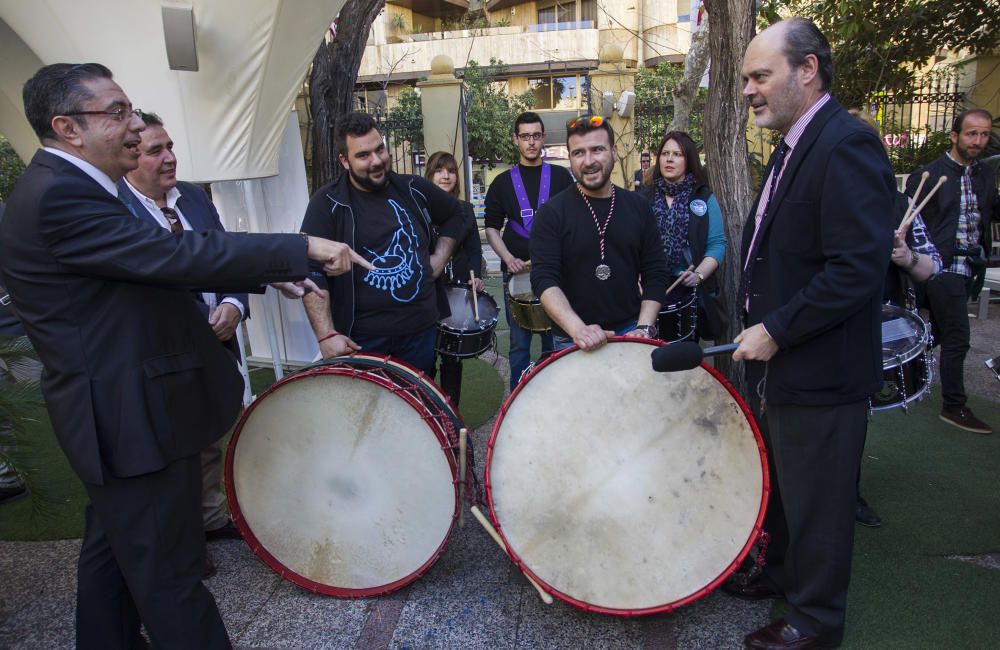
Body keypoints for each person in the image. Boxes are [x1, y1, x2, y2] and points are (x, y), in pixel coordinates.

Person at [0, 62, 363, 649]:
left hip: (131, 416)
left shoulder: (84, 188)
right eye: (116, 114)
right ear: (67, 127)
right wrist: (303, 247)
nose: (134, 128)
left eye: (130, 110)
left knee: (112, 557)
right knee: (170, 576)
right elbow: (177, 258)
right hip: (128, 422)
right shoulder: (59, 197)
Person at [726, 19, 894, 649]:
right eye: (745, 78)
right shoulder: (797, 142)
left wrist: (775, 327)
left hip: (822, 369)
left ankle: (815, 624)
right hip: (788, 365)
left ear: (807, 69)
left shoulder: (845, 141)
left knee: (821, 502)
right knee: (790, 484)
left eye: (759, 75)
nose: (748, 89)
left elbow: (857, 269)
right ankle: (780, 575)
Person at [118, 112, 245, 548]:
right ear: (130, 156)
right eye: (156, 151)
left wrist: (233, 304)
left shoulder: (192, 197)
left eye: (170, 146)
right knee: (177, 451)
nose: (170, 158)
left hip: (216, 350)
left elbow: (225, 255)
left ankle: (210, 519)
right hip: (164, 359)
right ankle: (184, 541)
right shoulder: (116, 210)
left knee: (213, 437)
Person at [300, 112, 465, 376]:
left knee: (419, 411)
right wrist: (326, 334)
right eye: (363, 155)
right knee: (369, 414)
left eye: (380, 150)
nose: (377, 161)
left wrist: (440, 258)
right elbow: (311, 272)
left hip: (419, 332)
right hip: (363, 340)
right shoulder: (327, 204)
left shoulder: (413, 188)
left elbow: (457, 215)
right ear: (344, 160)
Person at [530, 115, 668, 351]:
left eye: (597, 150)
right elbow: (544, 279)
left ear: (614, 152)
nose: (588, 161)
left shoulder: (639, 207)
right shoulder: (551, 213)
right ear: (571, 158)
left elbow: (655, 272)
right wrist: (579, 330)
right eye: (579, 153)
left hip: (631, 332)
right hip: (570, 338)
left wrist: (644, 328)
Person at [905, 108, 996, 434]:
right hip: (940, 267)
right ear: (955, 135)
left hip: (970, 266)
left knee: (940, 334)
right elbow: (909, 224)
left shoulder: (985, 174)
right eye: (972, 133)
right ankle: (954, 406)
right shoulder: (928, 175)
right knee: (958, 336)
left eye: (984, 134)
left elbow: (989, 214)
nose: (978, 140)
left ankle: (902, 367)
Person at [484, 111, 575, 389]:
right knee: (519, 346)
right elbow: (491, 228)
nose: (531, 142)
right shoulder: (501, 182)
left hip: (554, 275)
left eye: (536, 135)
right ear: (516, 140)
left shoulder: (561, 177)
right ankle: (516, 400)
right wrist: (508, 258)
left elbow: (573, 223)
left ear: (543, 138)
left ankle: (554, 398)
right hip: (515, 275)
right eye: (525, 136)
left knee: (556, 342)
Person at [636, 131, 728, 341]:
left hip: (685, 293)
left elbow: (717, 245)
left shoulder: (703, 198)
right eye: (665, 153)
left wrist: (699, 275)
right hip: (647, 292)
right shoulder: (642, 198)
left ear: (689, 160)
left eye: (677, 154)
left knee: (681, 365)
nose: (669, 159)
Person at [425, 150, 484, 405]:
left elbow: (473, 249)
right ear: (430, 175)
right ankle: (426, 412)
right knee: (426, 355)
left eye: (450, 171)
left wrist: (477, 276)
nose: (445, 176)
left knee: (452, 356)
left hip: (457, 288)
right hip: (428, 289)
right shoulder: (420, 208)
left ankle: (451, 414)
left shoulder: (465, 209)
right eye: (439, 170)